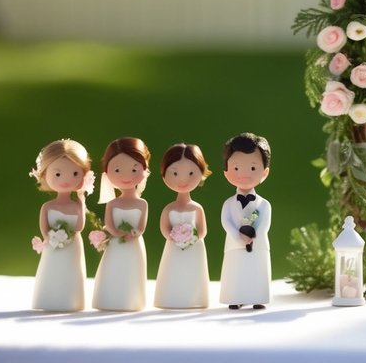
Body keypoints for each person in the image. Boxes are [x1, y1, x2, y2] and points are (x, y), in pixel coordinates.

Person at [30, 139, 94, 312]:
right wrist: (50, 237)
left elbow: (79, 226)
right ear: (44, 175)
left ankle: (71, 301)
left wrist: (81, 201)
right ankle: (50, 299)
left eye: (75, 174)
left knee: (71, 272)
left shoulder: (75, 206)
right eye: (57, 174)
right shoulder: (48, 207)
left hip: (73, 245)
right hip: (53, 245)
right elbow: (44, 228)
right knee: (53, 270)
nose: (66, 180)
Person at [91, 136, 150, 311]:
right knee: (113, 269)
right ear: (107, 173)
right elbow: (109, 223)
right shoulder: (113, 203)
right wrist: (116, 233)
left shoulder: (142, 203)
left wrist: (135, 233)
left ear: (145, 170)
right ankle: (109, 299)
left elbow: (142, 226)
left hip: (134, 243)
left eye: (134, 169)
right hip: (116, 243)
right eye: (117, 170)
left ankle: (132, 301)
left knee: (132, 271)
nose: (126, 176)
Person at [154, 143, 212, 309]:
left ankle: (195, 299)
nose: (182, 179)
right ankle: (171, 298)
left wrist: (193, 238)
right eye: (175, 173)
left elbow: (202, 230)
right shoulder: (169, 208)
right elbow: (164, 227)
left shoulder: (197, 208)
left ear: (200, 174)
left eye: (191, 173)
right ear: (165, 175)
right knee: (174, 272)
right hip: (173, 247)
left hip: (195, 248)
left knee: (193, 272)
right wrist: (172, 237)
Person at [220, 132, 273, 309]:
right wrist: (238, 236)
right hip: (234, 245)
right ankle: (236, 298)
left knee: (256, 272)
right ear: (227, 173)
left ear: (264, 173)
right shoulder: (228, 203)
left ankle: (257, 297)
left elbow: (264, 225)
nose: (244, 174)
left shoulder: (264, 204)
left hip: (257, 246)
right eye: (236, 168)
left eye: (252, 168)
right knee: (236, 272)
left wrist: (253, 236)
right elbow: (226, 223)